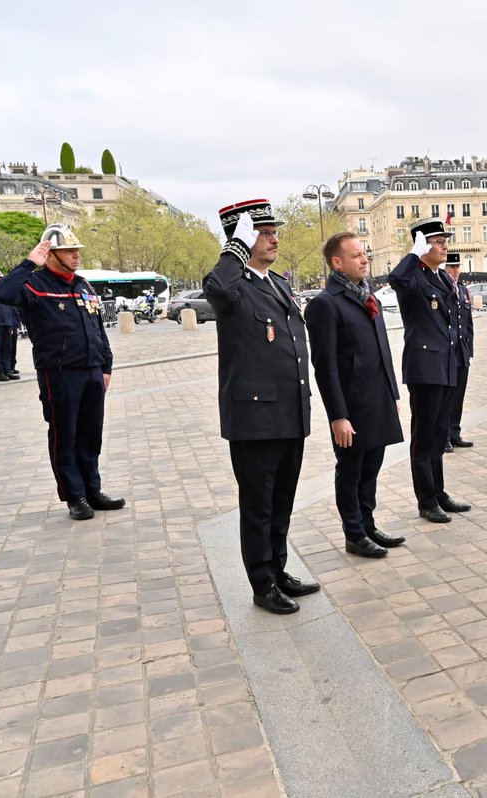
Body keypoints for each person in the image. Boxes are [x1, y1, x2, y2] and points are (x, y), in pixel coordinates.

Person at [203, 199, 318, 614]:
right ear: (243, 238)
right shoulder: (232, 286)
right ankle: (262, 583)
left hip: (289, 411)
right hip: (255, 418)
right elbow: (217, 290)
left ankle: (278, 568)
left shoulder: (278, 284)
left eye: (273, 232)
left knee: (282, 500)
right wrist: (233, 248)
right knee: (258, 505)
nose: (274, 239)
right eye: (264, 233)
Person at [0, 225, 125, 520]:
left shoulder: (83, 284)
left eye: (77, 250)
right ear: (50, 254)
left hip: (92, 370)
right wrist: (29, 263)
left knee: (91, 434)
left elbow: (98, 328)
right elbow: (2, 293)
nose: (76, 255)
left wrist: (106, 366)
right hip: (60, 373)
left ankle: (92, 489)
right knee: (65, 435)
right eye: (69, 251)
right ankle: (74, 496)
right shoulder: (34, 284)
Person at [306, 232, 404, 559]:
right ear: (337, 262)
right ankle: (354, 533)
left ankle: (368, 524)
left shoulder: (366, 295)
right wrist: (338, 416)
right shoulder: (325, 304)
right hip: (351, 406)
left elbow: (382, 350)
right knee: (351, 470)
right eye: (356, 255)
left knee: (372, 468)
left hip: (377, 399)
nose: (365, 260)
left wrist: (392, 393)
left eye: (364, 254)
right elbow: (324, 366)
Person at [389, 217, 471, 523]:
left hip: (447, 365)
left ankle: (438, 492)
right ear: (423, 246)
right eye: (438, 242)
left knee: (439, 434)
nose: (445, 246)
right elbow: (396, 279)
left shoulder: (442, 277)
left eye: (444, 241)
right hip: (425, 368)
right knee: (424, 438)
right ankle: (426, 501)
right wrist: (414, 253)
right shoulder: (414, 277)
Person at [444, 252, 474, 450]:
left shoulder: (463, 290)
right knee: (447, 396)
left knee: (459, 396)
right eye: (451, 267)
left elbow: (468, 324)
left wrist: (470, 350)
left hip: (462, 351)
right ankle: (444, 436)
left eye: (457, 267)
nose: (455, 271)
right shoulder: (441, 290)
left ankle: (455, 433)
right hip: (448, 351)